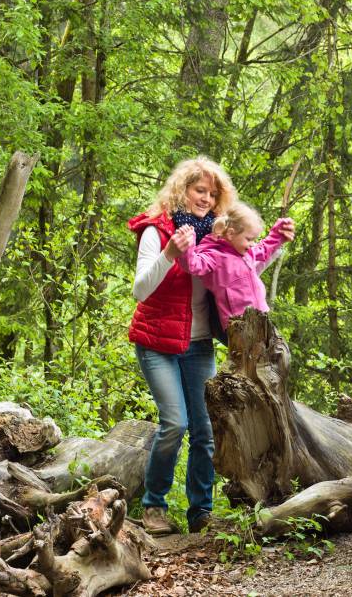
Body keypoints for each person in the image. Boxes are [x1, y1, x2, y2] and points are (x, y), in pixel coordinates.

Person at [128, 157, 236, 535]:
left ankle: (200, 511)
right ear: (182, 190)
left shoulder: (214, 236)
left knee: (204, 430)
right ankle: (154, 506)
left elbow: (240, 275)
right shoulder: (156, 230)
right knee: (174, 423)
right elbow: (140, 289)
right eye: (198, 190)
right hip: (157, 343)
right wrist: (170, 254)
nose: (205, 198)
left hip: (199, 345)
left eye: (211, 193)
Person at [178, 202, 296, 330]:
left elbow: (263, 248)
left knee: (273, 348)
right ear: (230, 234)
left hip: (262, 317)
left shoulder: (245, 252)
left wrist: (278, 234)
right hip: (239, 326)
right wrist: (187, 245)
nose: (252, 244)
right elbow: (193, 265)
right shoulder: (215, 255)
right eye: (249, 239)